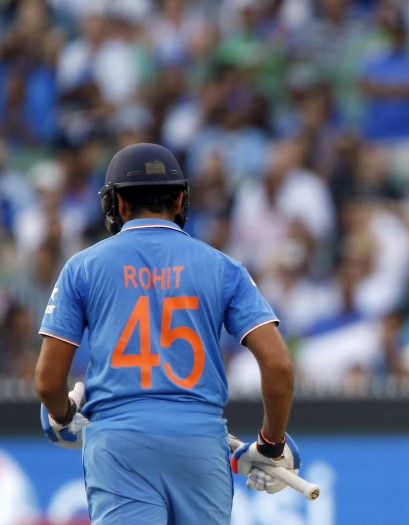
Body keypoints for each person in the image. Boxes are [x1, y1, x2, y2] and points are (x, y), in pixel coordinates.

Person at [35, 142, 298, 524]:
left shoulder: (82, 267)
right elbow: (278, 365)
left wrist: (64, 415)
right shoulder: (224, 267)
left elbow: (47, 382)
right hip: (200, 441)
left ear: (119, 205)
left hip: (119, 441)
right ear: (179, 201)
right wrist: (271, 445)